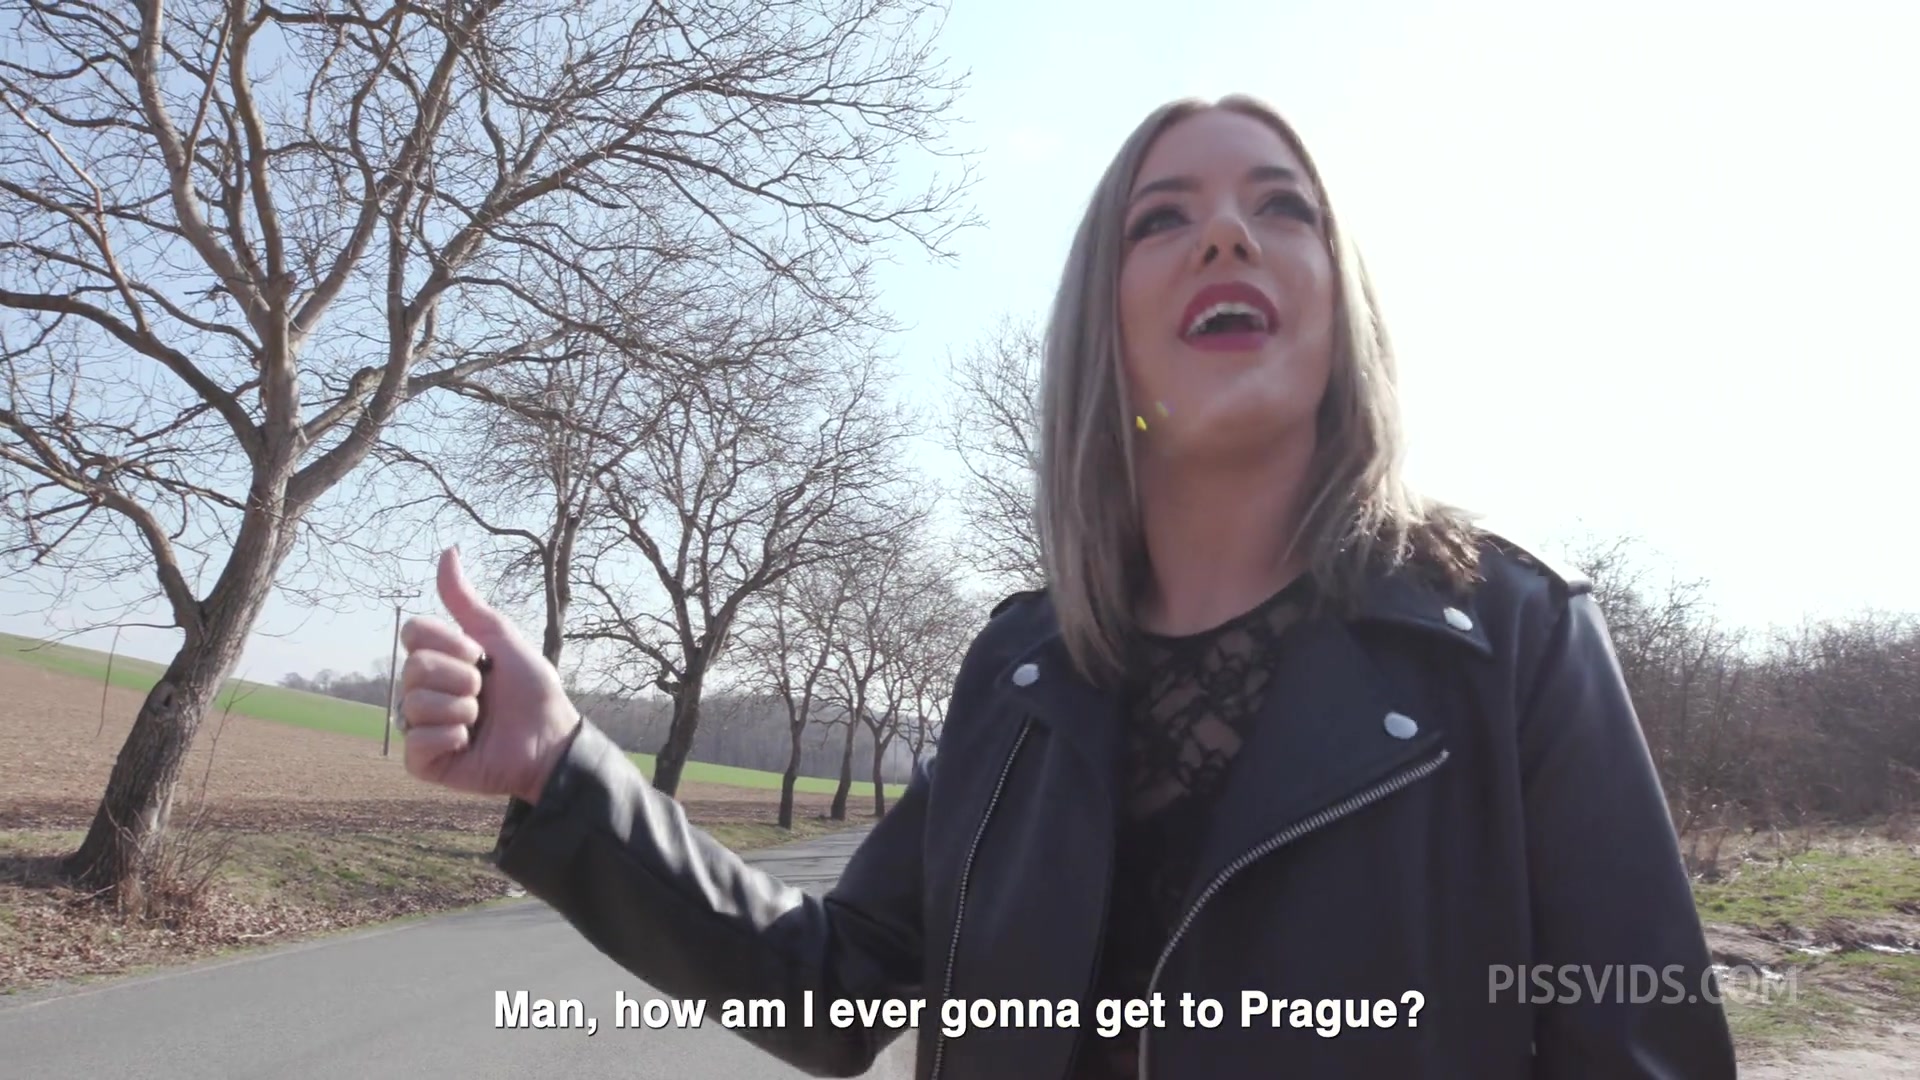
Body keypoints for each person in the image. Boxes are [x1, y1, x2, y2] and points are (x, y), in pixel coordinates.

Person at [394, 94, 1739, 1079]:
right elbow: (832, 990)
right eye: (1164, 218)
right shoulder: (1019, 674)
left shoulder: (1508, 634)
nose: (1227, 233)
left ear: (1345, 305)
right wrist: (560, 766)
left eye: (1284, 206)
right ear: (1108, 328)